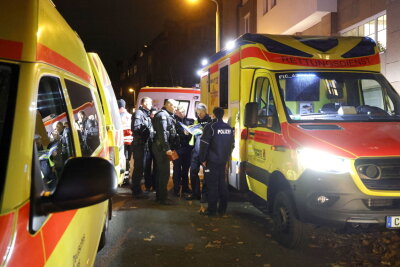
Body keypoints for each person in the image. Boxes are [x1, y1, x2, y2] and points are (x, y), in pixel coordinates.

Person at [198, 107, 234, 216]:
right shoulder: (228, 127)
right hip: (223, 161)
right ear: (222, 115)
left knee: (212, 185)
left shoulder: (211, 127)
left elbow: (204, 144)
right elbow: (232, 145)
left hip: (212, 161)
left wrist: (202, 159)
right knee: (222, 184)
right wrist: (226, 156)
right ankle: (222, 210)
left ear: (213, 115)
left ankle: (212, 210)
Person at [152, 99, 179, 205]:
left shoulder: (166, 115)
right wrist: (167, 148)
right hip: (161, 148)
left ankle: (160, 196)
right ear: (168, 105)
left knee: (161, 173)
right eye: (174, 106)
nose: (175, 109)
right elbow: (162, 133)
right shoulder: (162, 116)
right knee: (164, 173)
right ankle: (162, 198)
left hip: (161, 147)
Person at [186, 103, 212, 200]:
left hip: (206, 153)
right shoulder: (196, 121)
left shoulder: (210, 121)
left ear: (205, 112)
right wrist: (188, 132)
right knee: (193, 172)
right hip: (196, 152)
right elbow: (193, 136)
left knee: (207, 174)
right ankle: (195, 193)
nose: (199, 115)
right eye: (197, 113)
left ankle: (205, 195)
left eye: (201, 113)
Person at [131, 97, 154, 198]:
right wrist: (146, 130)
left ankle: (137, 189)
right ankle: (136, 191)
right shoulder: (139, 113)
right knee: (139, 168)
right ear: (144, 103)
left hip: (144, 144)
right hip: (139, 144)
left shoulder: (145, 114)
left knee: (141, 168)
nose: (151, 105)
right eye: (149, 103)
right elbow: (136, 128)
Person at [172, 105, 194, 196]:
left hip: (187, 149)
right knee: (176, 170)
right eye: (178, 111)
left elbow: (192, 134)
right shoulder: (173, 121)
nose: (180, 112)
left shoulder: (190, 121)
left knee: (185, 170)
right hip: (176, 149)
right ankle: (176, 189)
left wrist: (188, 134)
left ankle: (185, 188)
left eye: (182, 111)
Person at [118, 99, 133, 183]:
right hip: (130, 142)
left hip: (121, 142)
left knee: (121, 159)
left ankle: (123, 177)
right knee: (127, 159)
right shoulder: (129, 115)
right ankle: (127, 177)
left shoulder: (116, 115)